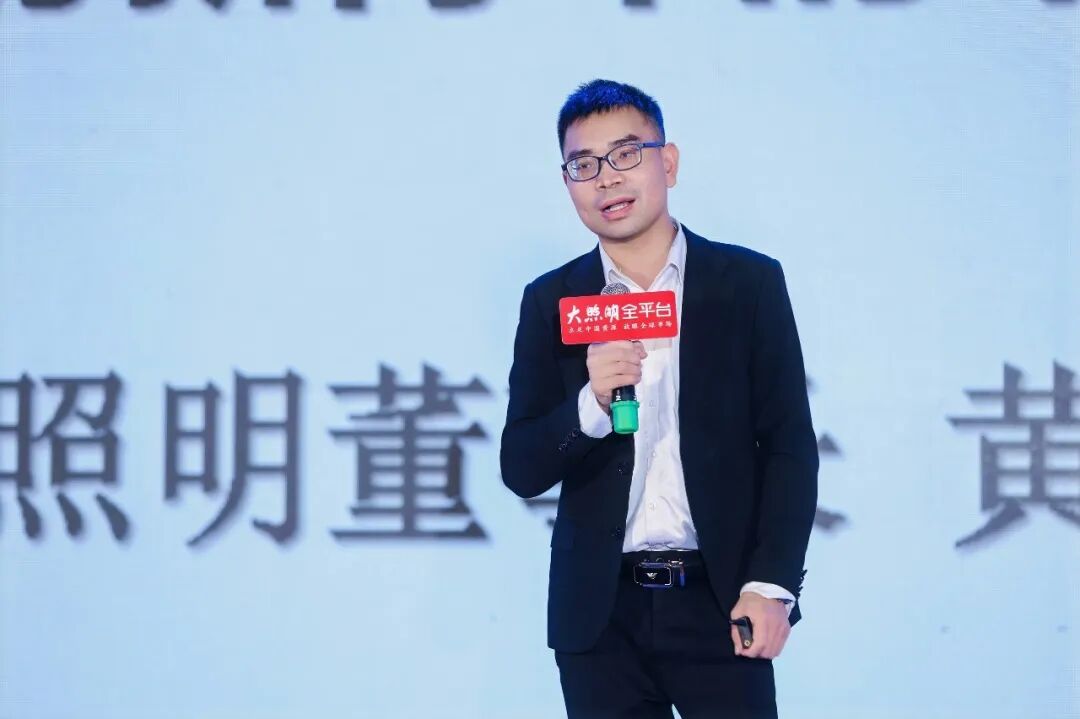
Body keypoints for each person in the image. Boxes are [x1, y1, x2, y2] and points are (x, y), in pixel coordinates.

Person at [500, 79, 819, 718]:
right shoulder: (551, 300)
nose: (606, 179)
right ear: (567, 183)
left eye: (625, 154)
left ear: (667, 163)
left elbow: (788, 445)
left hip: (722, 601)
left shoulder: (747, 283)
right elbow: (521, 468)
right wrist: (592, 404)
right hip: (599, 618)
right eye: (583, 165)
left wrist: (772, 584)